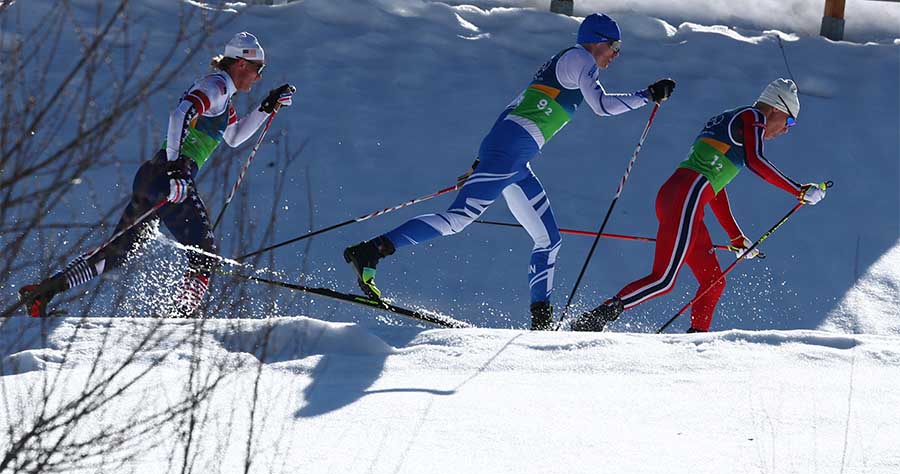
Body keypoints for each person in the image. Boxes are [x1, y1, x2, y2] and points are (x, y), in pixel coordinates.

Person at [343, 13, 675, 330]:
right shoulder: (581, 59)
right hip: (509, 154)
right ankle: (371, 251)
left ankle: (541, 322)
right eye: (614, 47)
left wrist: (482, 161)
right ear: (597, 42)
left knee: (549, 240)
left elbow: (513, 107)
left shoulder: (568, 62)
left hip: (512, 157)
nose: (615, 55)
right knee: (459, 219)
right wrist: (646, 95)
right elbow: (602, 107)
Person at [18, 32, 295, 318]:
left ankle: (43, 292)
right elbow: (181, 113)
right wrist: (176, 169)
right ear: (240, 64)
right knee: (204, 252)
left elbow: (235, 137)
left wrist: (268, 106)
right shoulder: (216, 86)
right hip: (169, 177)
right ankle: (181, 318)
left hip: (154, 176)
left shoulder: (224, 98)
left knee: (118, 252)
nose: (258, 77)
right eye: (258, 69)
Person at [571, 78, 829, 333]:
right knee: (664, 279)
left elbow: (715, 188)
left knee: (713, 281)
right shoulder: (753, 117)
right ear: (775, 108)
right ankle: (594, 319)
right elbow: (755, 160)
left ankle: (696, 343)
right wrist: (799, 190)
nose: (786, 129)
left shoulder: (732, 118)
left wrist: (736, 237)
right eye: (789, 121)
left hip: (683, 196)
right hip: (687, 196)